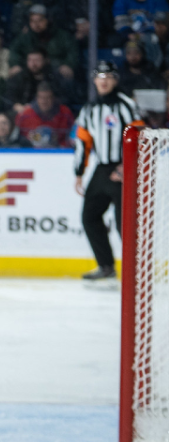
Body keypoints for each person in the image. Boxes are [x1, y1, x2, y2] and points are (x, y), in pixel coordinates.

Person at [74, 61, 142, 282]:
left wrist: (126, 167)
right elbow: (83, 142)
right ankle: (106, 266)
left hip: (124, 170)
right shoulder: (89, 109)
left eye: (108, 76)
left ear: (115, 80)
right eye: (99, 76)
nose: (103, 81)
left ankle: (136, 272)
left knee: (125, 224)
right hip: (102, 169)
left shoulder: (126, 105)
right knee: (89, 216)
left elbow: (141, 138)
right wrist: (79, 172)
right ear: (94, 81)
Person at [15, 82, 73, 148]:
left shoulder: (65, 113)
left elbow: (72, 137)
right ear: (36, 98)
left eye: (47, 98)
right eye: (41, 97)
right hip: (31, 155)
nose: (44, 101)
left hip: (58, 154)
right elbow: (16, 139)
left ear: (53, 98)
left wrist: (60, 144)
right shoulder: (25, 114)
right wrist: (27, 141)